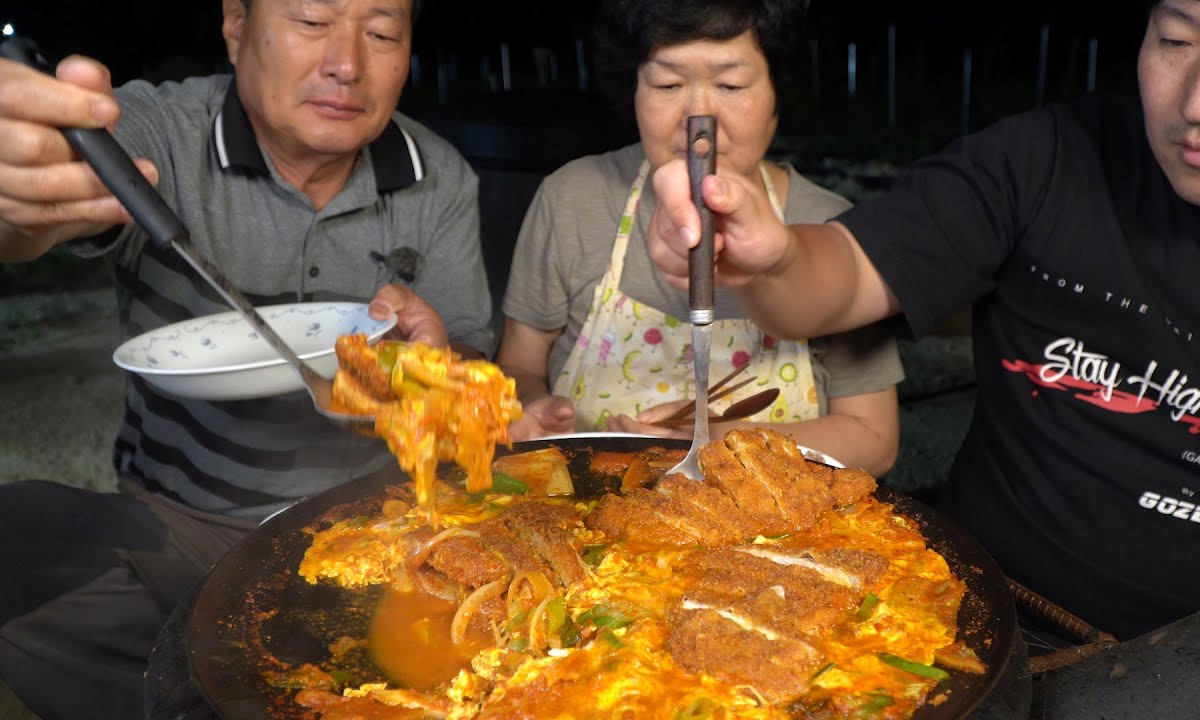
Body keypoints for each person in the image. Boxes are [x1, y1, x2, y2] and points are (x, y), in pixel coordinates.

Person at [645, 0, 1200, 647]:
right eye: (1175, 39)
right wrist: (771, 258)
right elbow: (841, 280)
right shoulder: (1051, 158)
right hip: (947, 605)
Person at [0, 0, 492, 715]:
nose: (347, 63)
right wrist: (21, 201)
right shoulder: (157, 134)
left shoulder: (437, 176)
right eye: (312, 21)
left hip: (373, 522)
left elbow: (470, 355)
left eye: (381, 32)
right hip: (181, 518)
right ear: (236, 25)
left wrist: (433, 370)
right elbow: (54, 188)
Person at [495, 0, 903, 474]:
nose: (698, 121)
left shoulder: (831, 229)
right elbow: (518, 366)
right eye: (667, 84)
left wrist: (713, 442)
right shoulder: (572, 199)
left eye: (730, 85)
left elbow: (873, 439)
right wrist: (528, 406)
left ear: (777, 98)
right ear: (633, 90)